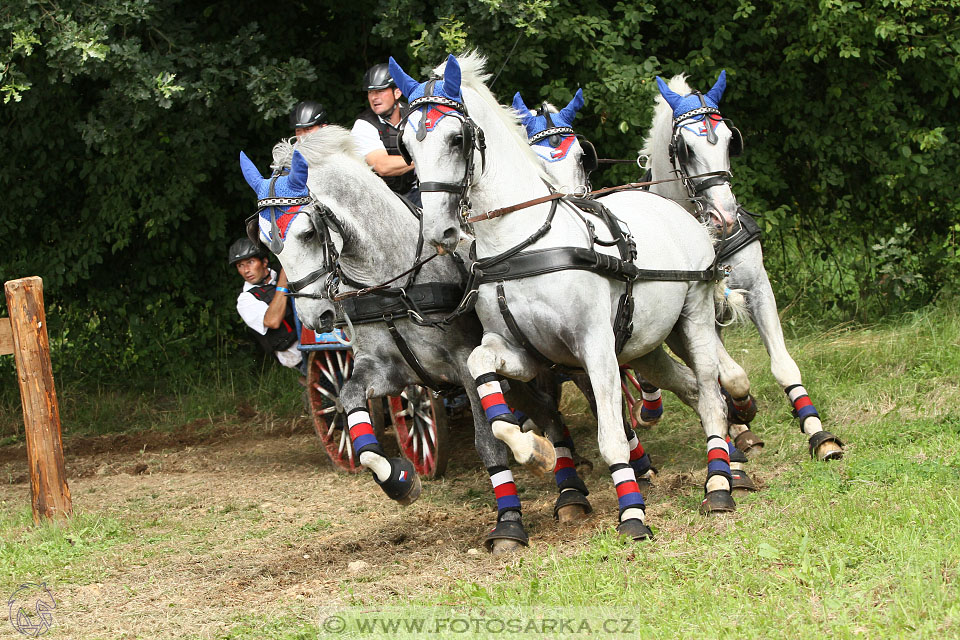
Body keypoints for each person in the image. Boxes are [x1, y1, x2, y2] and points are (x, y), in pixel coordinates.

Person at [228, 238, 305, 374]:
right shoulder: (245, 300)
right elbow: (272, 321)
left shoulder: (279, 271)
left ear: (264, 262)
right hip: (296, 354)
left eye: (250, 262)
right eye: (240, 266)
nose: (246, 270)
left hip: (318, 338)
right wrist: (283, 284)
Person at [350, 63, 420, 205]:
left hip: (415, 192)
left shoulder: (416, 116)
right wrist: (423, 158)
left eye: (380, 91)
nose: (374, 97)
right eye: (370, 92)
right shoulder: (363, 125)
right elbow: (382, 166)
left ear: (397, 92)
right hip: (379, 198)